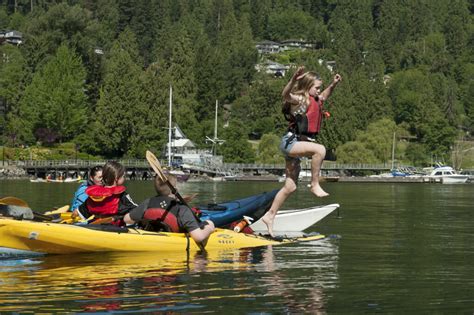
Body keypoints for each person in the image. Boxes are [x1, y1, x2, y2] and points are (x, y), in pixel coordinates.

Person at [261, 66, 342, 236]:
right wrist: (292, 79)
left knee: (290, 187)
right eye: (317, 87)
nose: (319, 90)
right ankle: (314, 184)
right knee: (320, 150)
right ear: (307, 86)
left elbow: (326, 95)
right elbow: (285, 95)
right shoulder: (300, 100)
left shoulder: (316, 99)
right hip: (290, 144)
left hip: (296, 146)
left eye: (320, 87)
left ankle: (270, 216)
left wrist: (333, 84)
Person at [123, 174, 215, 248]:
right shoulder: (181, 208)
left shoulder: (148, 202)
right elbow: (198, 237)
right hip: (172, 246)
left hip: (151, 239)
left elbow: (127, 219)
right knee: (209, 223)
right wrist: (210, 228)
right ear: (174, 190)